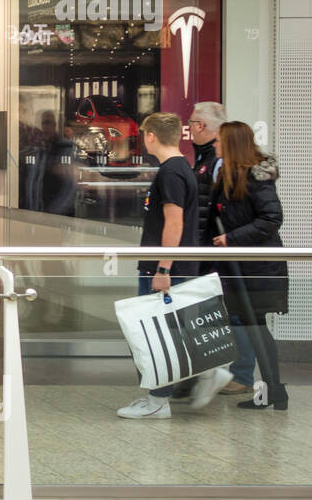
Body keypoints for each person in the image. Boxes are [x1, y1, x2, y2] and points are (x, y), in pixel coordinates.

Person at [117, 111, 232, 419]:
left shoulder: (171, 172)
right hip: (179, 264)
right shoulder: (183, 169)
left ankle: (158, 400)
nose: (143, 140)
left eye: (143, 135)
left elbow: (174, 223)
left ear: (151, 136)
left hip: (169, 267)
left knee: (155, 334)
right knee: (175, 328)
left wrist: (162, 268)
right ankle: (208, 371)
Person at [178, 101, 256, 398]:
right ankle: (217, 372)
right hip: (210, 248)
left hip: (218, 250)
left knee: (234, 313)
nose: (189, 127)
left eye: (192, 122)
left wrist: (216, 241)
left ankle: (241, 373)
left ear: (201, 126)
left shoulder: (218, 162)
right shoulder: (206, 159)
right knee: (221, 312)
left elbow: (220, 210)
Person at [211, 121, 289, 411]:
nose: (215, 145)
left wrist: (231, 238)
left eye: (219, 141)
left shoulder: (256, 178)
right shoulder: (231, 174)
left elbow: (271, 219)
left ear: (231, 144)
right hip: (243, 266)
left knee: (257, 328)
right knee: (256, 328)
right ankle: (273, 392)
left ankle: (274, 392)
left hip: (258, 267)